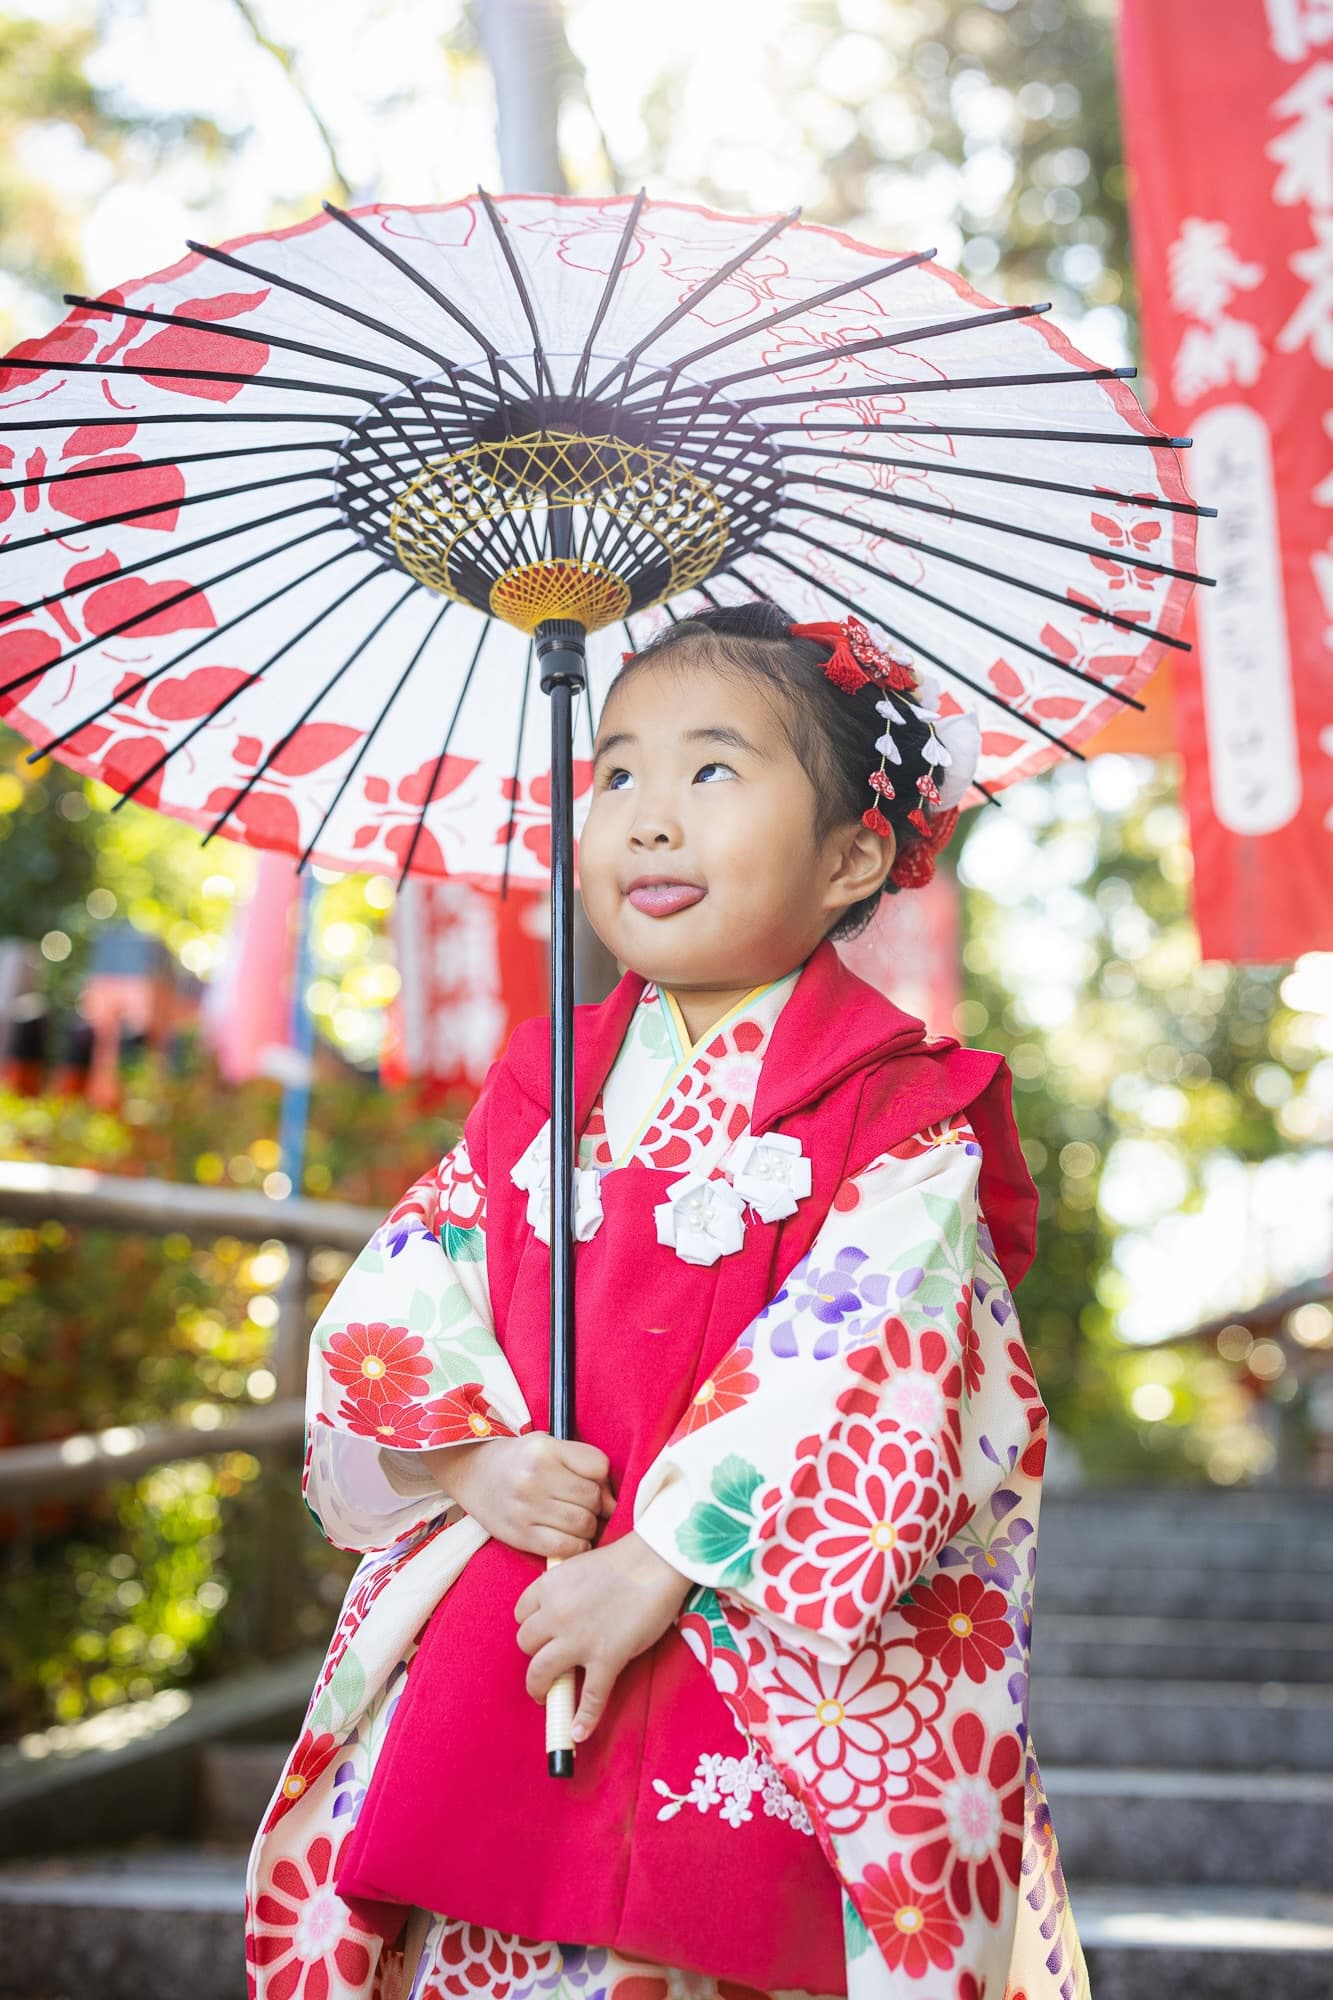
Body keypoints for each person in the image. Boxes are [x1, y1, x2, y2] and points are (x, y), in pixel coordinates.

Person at [245, 603, 1087, 2000]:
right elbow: (410, 1303)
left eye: (710, 772)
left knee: (723, 1945)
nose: (645, 818)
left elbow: (881, 1353)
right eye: (615, 772)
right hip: (519, 1621)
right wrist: (473, 1458)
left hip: (751, 1648)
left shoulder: (892, 1112)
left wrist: (665, 1558)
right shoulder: (539, 1085)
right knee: (477, 1929)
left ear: (852, 855)